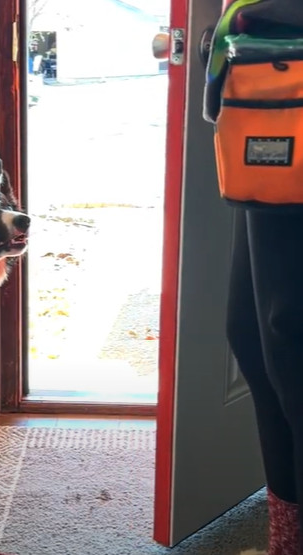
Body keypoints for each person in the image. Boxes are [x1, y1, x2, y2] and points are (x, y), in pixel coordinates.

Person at [206, 1, 303, 554]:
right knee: (253, 336)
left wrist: (261, 16)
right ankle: (286, 542)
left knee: (290, 344)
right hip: (272, 102)